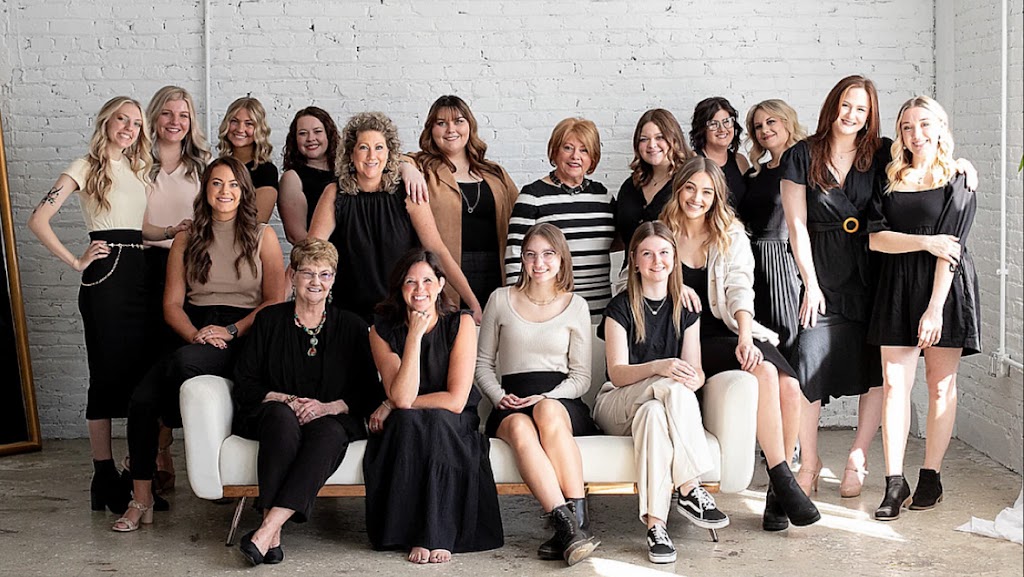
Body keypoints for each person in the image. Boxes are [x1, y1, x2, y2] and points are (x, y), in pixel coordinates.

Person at [113, 157, 285, 531]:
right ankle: (141, 499)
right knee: (141, 399)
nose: (225, 191)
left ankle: (167, 424)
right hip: (194, 330)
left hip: (246, 333)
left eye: (234, 184)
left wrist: (231, 331)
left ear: (244, 191)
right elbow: (172, 305)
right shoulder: (186, 238)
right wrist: (196, 334)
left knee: (183, 365)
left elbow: (274, 301)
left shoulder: (263, 235)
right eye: (217, 183)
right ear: (205, 190)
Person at [27, 96, 179, 514]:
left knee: (141, 378)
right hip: (107, 276)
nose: (129, 128)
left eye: (136, 122)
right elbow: (38, 218)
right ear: (106, 122)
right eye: (122, 120)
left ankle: (137, 477)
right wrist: (76, 260)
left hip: (140, 273)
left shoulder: (137, 167)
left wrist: (171, 229)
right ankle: (104, 475)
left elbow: (136, 226)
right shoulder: (84, 166)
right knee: (106, 374)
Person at [662, 157, 820, 532]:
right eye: (690, 188)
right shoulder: (661, 232)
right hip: (685, 339)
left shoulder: (730, 232)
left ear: (717, 196)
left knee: (789, 383)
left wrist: (746, 336)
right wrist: (672, 286)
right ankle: (783, 482)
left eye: (706, 192)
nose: (697, 198)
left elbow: (739, 287)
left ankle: (777, 489)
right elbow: (631, 280)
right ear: (678, 189)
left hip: (729, 329)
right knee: (763, 371)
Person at [232, 238, 381, 565]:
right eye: (308, 273)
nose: (316, 282)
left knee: (329, 432)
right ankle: (272, 535)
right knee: (281, 419)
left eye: (325, 274)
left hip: (331, 416)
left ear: (333, 280)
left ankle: (267, 529)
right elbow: (245, 381)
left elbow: (370, 391)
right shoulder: (269, 321)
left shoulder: (353, 326)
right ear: (293, 275)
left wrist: (328, 407)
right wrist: (286, 399)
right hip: (274, 412)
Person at [867, 96, 980, 520]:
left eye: (925, 124)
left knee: (939, 386)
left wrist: (935, 309)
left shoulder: (958, 178)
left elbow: (950, 249)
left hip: (944, 287)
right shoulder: (889, 178)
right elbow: (876, 239)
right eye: (907, 126)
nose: (917, 134)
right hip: (896, 285)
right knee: (894, 385)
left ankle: (931, 475)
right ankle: (894, 482)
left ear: (940, 127)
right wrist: (923, 241)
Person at [780, 75, 889, 498]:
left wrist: (961, 166)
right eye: (846, 105)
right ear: (832, 105)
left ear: (870, 116)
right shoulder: (801, 154)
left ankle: (857, 456)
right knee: (808, 369)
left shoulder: (881, 153)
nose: (851, 115)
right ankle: (809, 461)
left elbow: (926, 161)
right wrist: (810, 283)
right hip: (822, 272)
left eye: (861, 109)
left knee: (875, 371)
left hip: (871, 271)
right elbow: (796, 225)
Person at [593, 222, 727, 564]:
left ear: (674, 257)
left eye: (664, 252)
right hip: (616, 404)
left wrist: (691, 378)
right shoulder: (620, 307)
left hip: (657, 408)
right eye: (648, 254)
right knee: (668, 386)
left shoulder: (687, 308)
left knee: (654, 414)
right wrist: (660, 367)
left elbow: (696, 372)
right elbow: (617, 373)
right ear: (634, 261)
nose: (657, 261)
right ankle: (691, 486)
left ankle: (656, 528)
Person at [364, 250, 503, 564]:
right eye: (410, 282)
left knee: (437, 422)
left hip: (452, 420)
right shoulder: (380, 330)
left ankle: (438, 534)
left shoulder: (460, 323)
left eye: (427, 280)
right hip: (406, 423)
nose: (419, 289)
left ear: (441, 284)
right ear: (400, 287)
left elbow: (455, 400)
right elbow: (402, 396)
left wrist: (390, 403)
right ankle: (415, 533)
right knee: (409, 423)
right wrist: (413, 337)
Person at [476, 223, 599, 566]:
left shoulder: (576, 305)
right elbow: (482, 364)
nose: (538, 263)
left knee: (546, 411)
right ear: (522, 260)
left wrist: (548, 396)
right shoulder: (500, 299)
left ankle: (578, 522)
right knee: (518, 427)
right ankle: (569, 528)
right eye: (530, 255)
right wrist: (498, 396)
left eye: (547, 254)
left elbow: (581, 377)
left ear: (561, 259)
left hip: (560, 400)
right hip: (511, 401)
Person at [308, 112, 481, 322]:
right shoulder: (335, 194)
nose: (372, 156)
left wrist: (472, 302)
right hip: (349, 314)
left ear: (389, 153)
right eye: (363, 148)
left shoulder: (408, 192)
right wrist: (282, 305)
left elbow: (437, 249)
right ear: (351, 154)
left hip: (402, 312)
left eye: (379, 147)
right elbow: (310, 253)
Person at [143, 85, 212, 492]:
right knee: (145, 359)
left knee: (175, 359)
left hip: (187, 269)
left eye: (183, 115)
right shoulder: (136, 161)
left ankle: (164, 446)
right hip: (143, 268)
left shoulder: (200, 167)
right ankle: (149, 452)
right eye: (167, 113)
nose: (175, 122)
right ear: (154, 117)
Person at [412, 95, 519, 307]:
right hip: (445, 269)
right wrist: (408, 169)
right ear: (431, 130)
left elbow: (520, 218)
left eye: (458, 121)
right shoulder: (423, 169)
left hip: (496, 268)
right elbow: (389, 159)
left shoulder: (495, 173)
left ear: (469, 125)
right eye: (441, 123)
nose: (451, 129)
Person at [737, 99, 807, 417]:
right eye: (758, 126)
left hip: (784, 261)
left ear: (787, 122)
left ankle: (792, 431)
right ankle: (770, 427)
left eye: (771, 122)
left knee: (788, 341)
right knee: (762, 344)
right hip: (753, 262)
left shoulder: (804, 166)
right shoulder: (755, 173)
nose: (764, 130)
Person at [505, 118, 615, 318]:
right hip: (550, 310)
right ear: (555, 151)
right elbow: (514, 255)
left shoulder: (603, 196)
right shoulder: (532, 196)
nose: (575, 156)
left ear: (593, 157)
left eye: (584, 150)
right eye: (568, 148)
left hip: (599, 309)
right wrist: (518, 306)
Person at [613, 109, 696, 291]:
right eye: (644, 139)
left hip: (679, 284)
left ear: (674, 139)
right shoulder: (630, 186)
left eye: (660, 137)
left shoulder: (688, 184)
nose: (652, 145)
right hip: (632, 282)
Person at [277, 106, 340, 244]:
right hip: (321, 255)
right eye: (303, 133)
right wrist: (324, 256)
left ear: (329, 135)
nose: (311, 138)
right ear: (295, 140)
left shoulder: (346, 171)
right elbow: (296, 236)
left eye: (317, 131)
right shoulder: (292, 178)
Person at [217, 96, 277, 223]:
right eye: (234, 121)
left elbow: (257, 222)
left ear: (259, 129)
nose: (240, 129)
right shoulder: (218, 167)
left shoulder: (266, 171)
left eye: (249, 124)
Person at [690, 97, 750, 207]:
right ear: (702, 129)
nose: (722, 129)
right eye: (713, 124)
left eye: (727, 122)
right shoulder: (692, 160)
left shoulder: (740, 161)